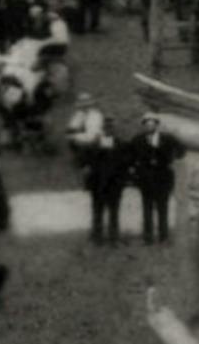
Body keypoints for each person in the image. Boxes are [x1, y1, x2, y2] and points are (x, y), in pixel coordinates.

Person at [127, 113, 184, 245]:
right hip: (145, 178)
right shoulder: (137, 140)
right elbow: (129, 156)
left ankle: (163, 237)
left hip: (163, 177)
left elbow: (181, 150)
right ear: (143, 126)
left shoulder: (167, 139)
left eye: (152, 124)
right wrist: (135, 169)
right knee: (147, 207)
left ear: (157, 125)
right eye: (146, 125)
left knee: (162, 207)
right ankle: (148, 238)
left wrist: (172, 159)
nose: (149, 127)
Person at [85, 117, 131, 245]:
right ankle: (97, 237)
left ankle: (113, 237)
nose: (108, 130)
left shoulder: (121, 144)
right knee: (97, 211)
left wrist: (122, 180)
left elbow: (126, 163)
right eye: (106, 127)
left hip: (114, 184)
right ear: (102, 129)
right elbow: (86, 162)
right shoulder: (94, 145)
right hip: (98, 184)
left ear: (114, 129)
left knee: (114, 212)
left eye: (111, 127)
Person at [66, 92, 106, 170]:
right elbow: (72, 127)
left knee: (75, 140)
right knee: (72, 139)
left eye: (85, 105)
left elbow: (92, 136)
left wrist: (75, 137)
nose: (82, 107)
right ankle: (83, 158)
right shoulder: (80, 114)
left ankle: (87, 161)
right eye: (81, 105)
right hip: (92, 137)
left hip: (96, 139)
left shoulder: (95, 115)